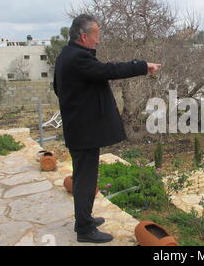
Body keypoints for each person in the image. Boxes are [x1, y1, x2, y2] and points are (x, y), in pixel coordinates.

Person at [53, 14, 161, 243]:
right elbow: (109, 71)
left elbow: (57, 88)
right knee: (84, 180)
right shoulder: (78, 58)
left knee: (86, 177)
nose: (98, 41)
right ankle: (84, 229)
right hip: (83, 132)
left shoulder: (67, 54)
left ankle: (86, 218)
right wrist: (142, 66)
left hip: (80, 129)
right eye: (96, 36)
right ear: (84, 36)